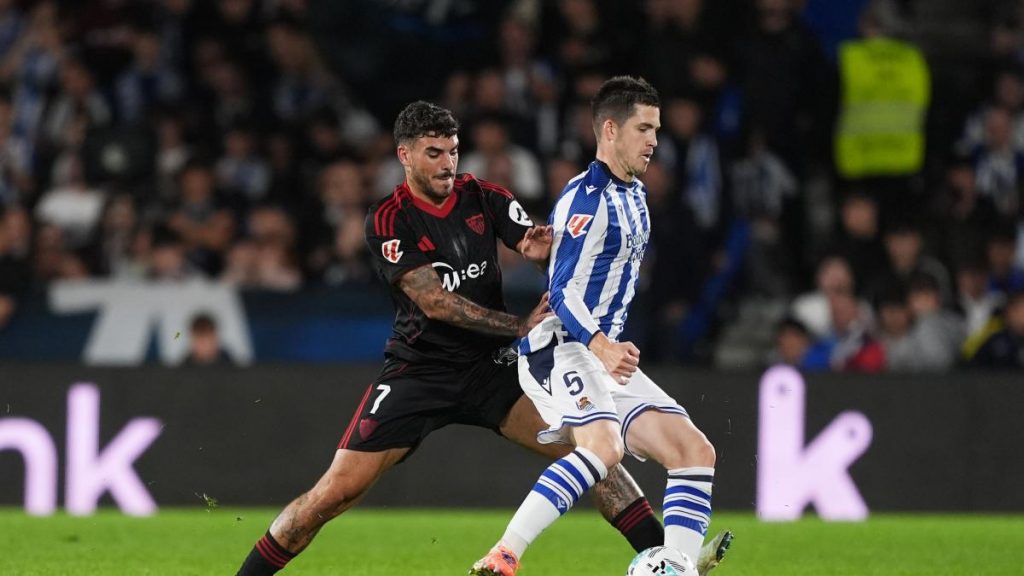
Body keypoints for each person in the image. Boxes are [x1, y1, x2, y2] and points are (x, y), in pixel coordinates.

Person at [235, 101, 666, 575]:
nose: (447, 164)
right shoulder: (388, 219)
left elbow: (531, 242)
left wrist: (548, 248)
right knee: (331, 494)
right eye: (434, 153)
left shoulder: (483, 196)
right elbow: (435, 303)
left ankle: (666, 561)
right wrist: (517, 326)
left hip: (495, 368)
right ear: (404, 155)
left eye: (454, 152)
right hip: (419, 371)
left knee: (595, 455)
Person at [470, 77, 731, 576]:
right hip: (560, 348)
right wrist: (600, 344)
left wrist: (605, 349)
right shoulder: (588, 201)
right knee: (604, 448)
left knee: (694, 450)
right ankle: (504, 554)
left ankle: (675, 566)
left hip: (600, 355)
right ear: (609, 130)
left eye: (656, 129)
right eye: (643, 129)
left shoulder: (635, 195)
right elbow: (562, 289)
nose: (654, 140)